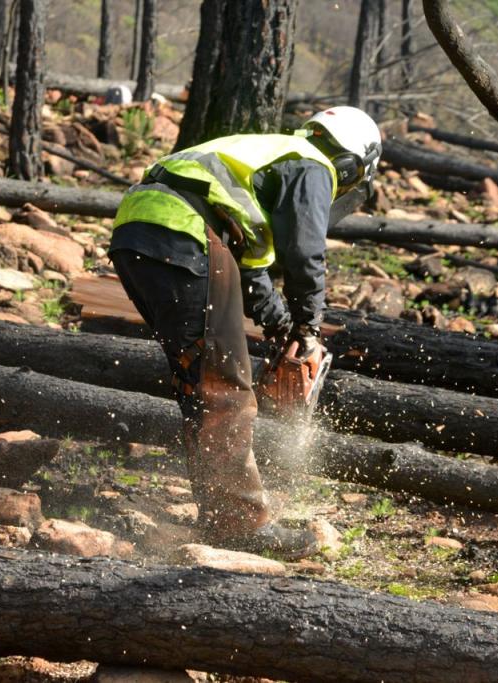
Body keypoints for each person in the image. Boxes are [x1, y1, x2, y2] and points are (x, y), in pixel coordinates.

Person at [109, 106, 382, 559]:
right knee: (225, 389)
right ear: (353, 162)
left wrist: (280, 326)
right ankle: (241, 525)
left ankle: (218, 514)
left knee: (196, 381)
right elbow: (304, 254)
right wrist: (309, 329)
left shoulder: (269, 161)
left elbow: (254, 271)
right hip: (185, 234)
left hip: (137, 233)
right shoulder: (312, 164)